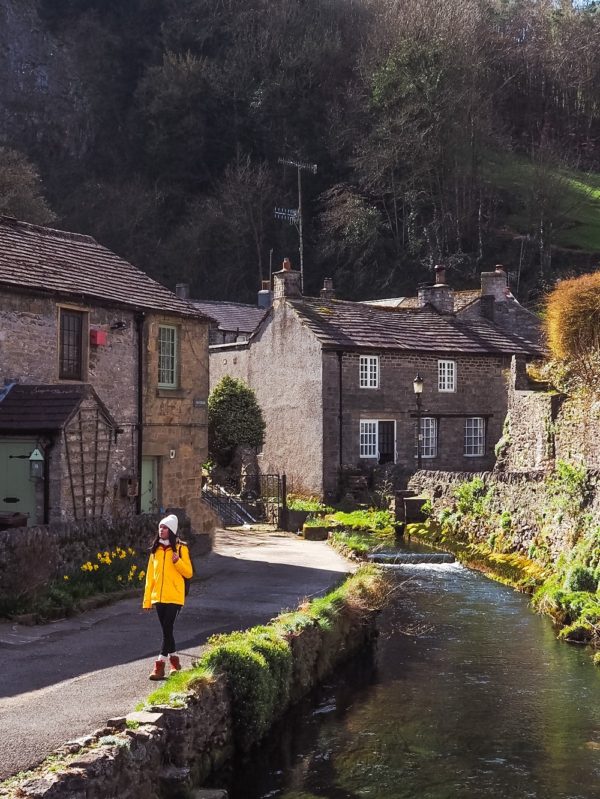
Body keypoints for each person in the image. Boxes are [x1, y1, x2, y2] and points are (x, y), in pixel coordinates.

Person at [142, 514, 193, 680]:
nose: (161, 530)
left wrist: (177, 561)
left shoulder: (181, 548)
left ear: (171, 531)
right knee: (167, 631)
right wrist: (147, 599)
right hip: (159, 597)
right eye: (160, 527)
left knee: (167, 628)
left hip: (175, 596)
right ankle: (175, 662)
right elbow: (150, 576)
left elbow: (189, 572)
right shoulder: (155, 551)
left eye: (164, 528)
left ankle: (159, 666)